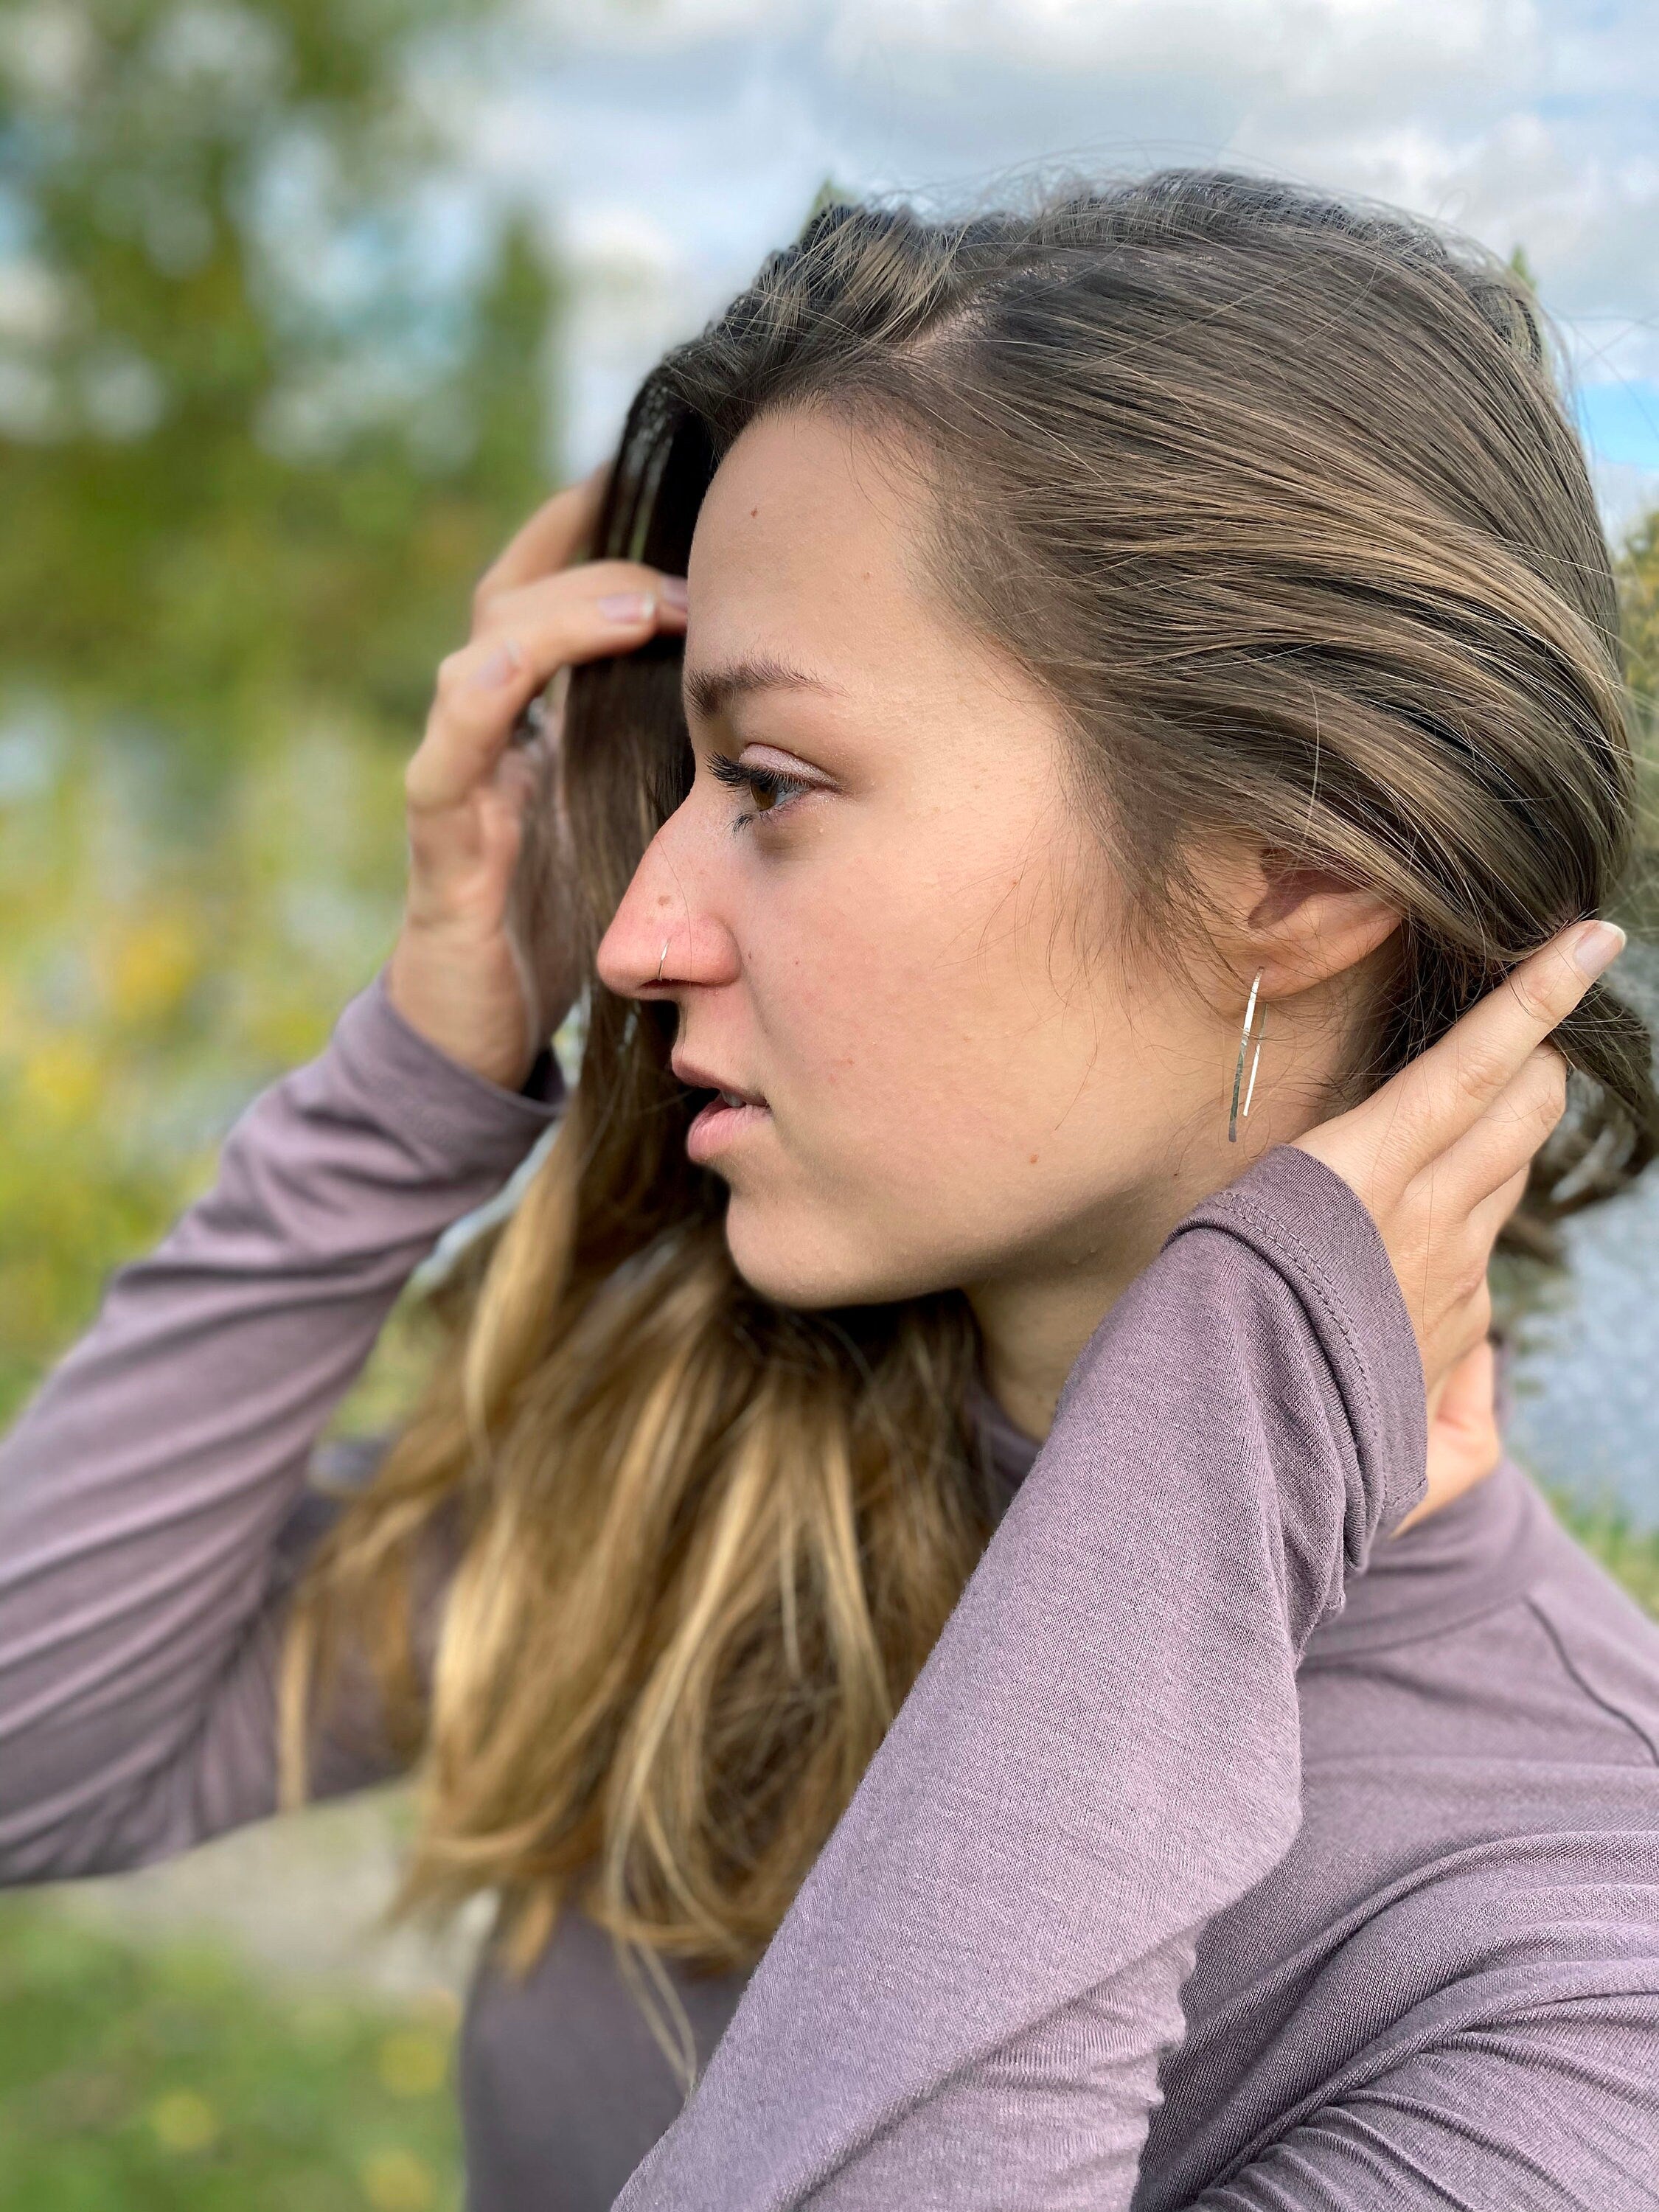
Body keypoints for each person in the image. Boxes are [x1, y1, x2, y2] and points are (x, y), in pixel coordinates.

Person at [3, 169, 1658, 2209]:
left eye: (769, 786)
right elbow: (35, 1745)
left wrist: (1208, 1437)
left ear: (1293, 870)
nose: (634, 934)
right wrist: (418, 1074)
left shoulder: (1581, 1962)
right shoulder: (708, 1468)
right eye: (677, 787)